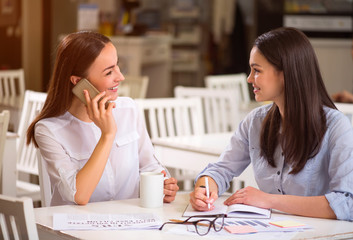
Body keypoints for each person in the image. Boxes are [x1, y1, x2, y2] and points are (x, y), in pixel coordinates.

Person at [189, 27, 353, 221]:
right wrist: (203, 188)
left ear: (285, 73)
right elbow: (220, 170)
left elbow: (346, 204)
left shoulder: (336, 126)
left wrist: (269, 200)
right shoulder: (255, 122)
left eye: (257, 70)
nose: (249, 79)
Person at [27, 31, 179, 206]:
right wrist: (107, 135)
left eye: (117, 66)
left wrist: (164, 184)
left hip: (130, 223)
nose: (120, 77)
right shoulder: (48, 130)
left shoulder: (128, 109)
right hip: (77, 228)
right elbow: (78, 195)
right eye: (109, 72)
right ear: (78, 81)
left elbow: (149, 165)